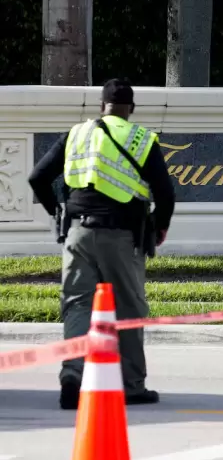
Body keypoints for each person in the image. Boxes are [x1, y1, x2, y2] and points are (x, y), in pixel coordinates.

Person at [28, 78, 176, 409]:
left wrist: (58, 212)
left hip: (77, 233)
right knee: (128, 307)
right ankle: (130, 384)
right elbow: (165, 193)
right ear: (131, 109)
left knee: (77, 305)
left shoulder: (77, 134)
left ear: (101, 107)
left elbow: (37, 177)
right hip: (121, 236)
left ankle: (73, 376)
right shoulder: (140, 138)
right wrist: (160, 227)